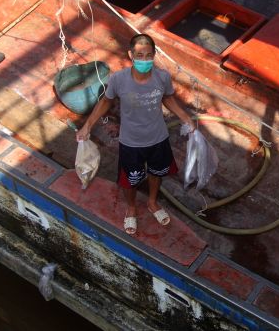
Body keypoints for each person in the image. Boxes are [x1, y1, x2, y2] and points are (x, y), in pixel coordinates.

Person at [76, 34, 195, 235]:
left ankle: (152, 202)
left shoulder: (163, 77)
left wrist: (186, 118)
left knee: (157, 173)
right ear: (131, 55)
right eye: (139, 55)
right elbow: (106, 102)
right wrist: (87, 125)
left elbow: (168, 98)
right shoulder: (118, 79)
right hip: (131, 142)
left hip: (158, 138)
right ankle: (131, 208)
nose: (144, 60)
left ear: (154, 55)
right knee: (130, 180)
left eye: (149, 55)